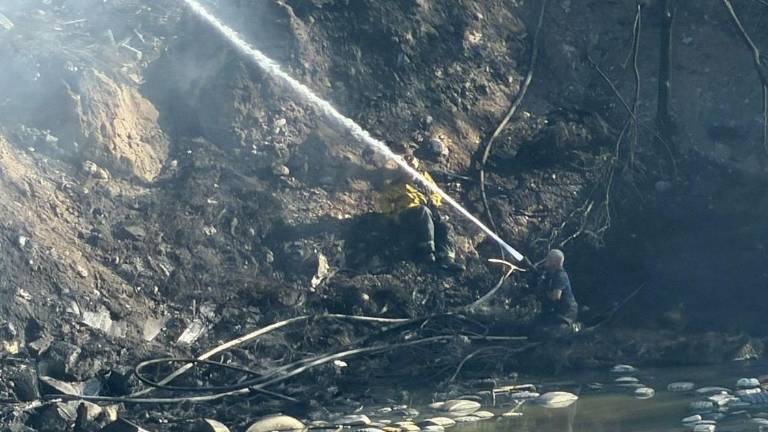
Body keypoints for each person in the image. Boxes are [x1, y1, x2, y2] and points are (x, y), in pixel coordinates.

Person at [379, 154, 464, 272]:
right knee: (422, 211)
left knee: (444, 225)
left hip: (426, 212)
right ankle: (426, 251)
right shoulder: (398, 185)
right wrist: (392, 216)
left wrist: (434, 202)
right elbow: (382, 200)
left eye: (413, 169)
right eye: (408, 169)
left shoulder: (424, 179)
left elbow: (436, 192)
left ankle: (447, 258)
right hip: (408, 214)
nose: (412, 172)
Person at [535, 249, 578, 331]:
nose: (546, 260)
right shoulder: (549, 274)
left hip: (565, 314)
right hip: (555, 312)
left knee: (547, 332)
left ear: (554, 262)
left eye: (549, 258)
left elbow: (555, 297)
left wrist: (543, 293)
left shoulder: (560, 276)